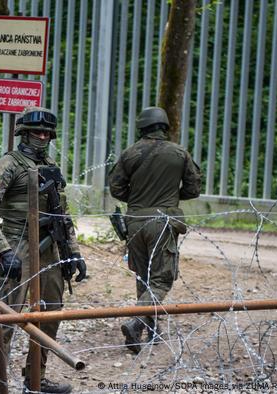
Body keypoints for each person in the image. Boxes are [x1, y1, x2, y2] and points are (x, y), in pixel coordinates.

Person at [0, 106, 86, 393]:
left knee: (51, 313)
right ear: (23, 133)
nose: (42, 136)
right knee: (7, 317)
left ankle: (35, 377)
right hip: (19, 245)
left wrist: (73, 252)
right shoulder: (9, 165)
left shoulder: (51, 165)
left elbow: (63, 214)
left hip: (50, 247)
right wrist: (3, 251)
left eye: (47, 132)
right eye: (37, 131)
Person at [108, 106, 201, 354]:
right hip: (163, 221)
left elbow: (116, 189)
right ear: (165, 126)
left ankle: (149, 330)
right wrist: (170, 196)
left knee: (143, 275)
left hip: (135, 222)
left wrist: (138, 197)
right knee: (162, 278)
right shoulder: (179, 153)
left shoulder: (130, 154)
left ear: (142, 127)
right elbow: (193, 189)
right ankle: (136, 321)